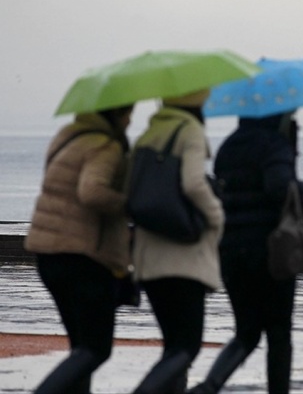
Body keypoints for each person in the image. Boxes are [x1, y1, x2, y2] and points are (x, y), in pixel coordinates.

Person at [188, 111, 303, 394]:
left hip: (231, 250)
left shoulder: (229, 146)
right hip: (269, 251)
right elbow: (280, 187)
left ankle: (209, 386)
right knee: (279, 332)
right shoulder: (274, 144)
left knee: (246, 331)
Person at [24, 104, 135, 394]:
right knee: (97, 349)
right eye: (127, 113)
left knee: (81, 349)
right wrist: (128, 203)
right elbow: (92, 191)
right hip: (82, 256)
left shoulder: (68, 136)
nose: (130, 120)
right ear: (114, 115)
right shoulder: (104, 145)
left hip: (47, 253)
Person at [130, 90, 224, 394]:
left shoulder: (148, 133)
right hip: (182, 259)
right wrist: (217, 216)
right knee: (187, 347)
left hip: (148, 259)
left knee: (173, 346)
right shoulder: (190, 131)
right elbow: (193, 182)